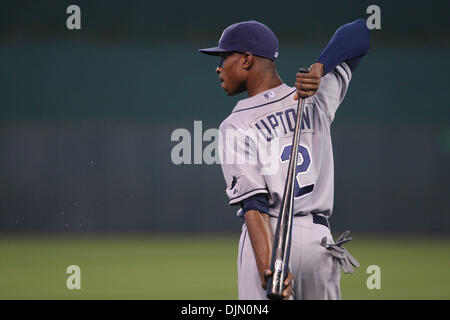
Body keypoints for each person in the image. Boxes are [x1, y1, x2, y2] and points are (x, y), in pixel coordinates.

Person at [199, 19, 370, 300]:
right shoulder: (313, 95)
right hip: (319, 242)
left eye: (223, 57)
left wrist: (270, 268)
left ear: (246, 59)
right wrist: (322, 66)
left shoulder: (236, 123)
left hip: (273, 237)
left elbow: (254, 206)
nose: (218, 67)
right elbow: (360, 32)